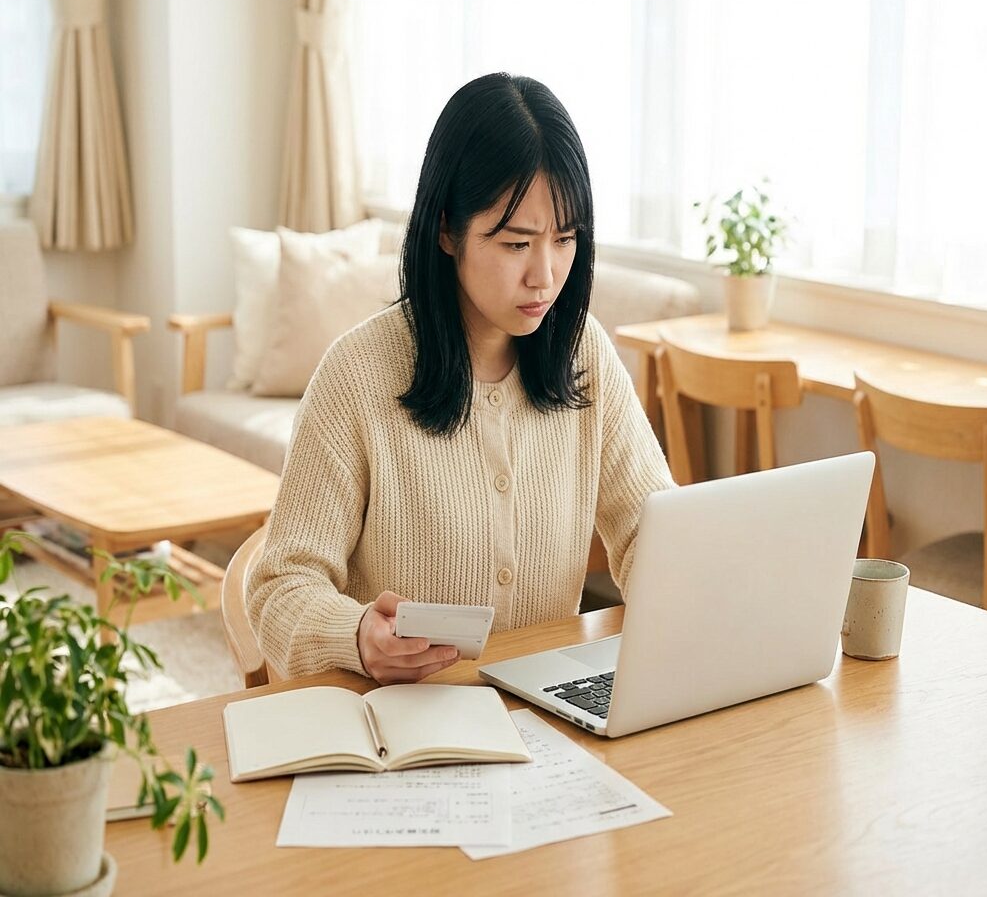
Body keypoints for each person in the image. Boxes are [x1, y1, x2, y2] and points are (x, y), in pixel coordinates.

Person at [247, 72, 675, 683]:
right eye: (516, 243)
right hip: (408, 729)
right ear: (447, 230)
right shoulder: (358, 376)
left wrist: (709, 587)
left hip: (550, 718)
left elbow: (649, 533)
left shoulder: (584, 355)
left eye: (565, 239)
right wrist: (356, 634)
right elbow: (278, 588)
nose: (545, 275)